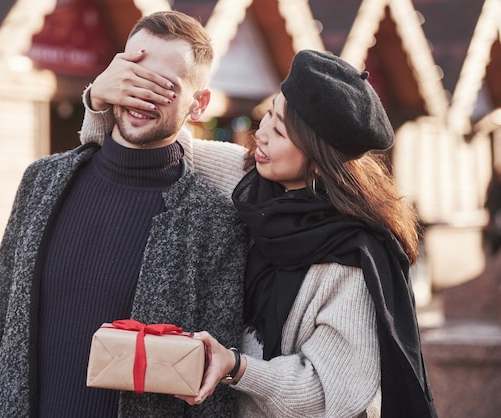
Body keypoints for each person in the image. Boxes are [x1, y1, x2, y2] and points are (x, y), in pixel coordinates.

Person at [80, 50, 438, 417]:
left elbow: (330, 394)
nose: (261, 132)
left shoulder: (352, 261)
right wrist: (98, 99)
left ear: (319, 161)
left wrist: (238, 368)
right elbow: (137, 151)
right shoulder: (247, 180)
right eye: (269, 113)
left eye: (280, 130)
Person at [0, 11, 249, 418]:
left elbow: (211, 385)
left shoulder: (213, 221)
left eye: (164, 86)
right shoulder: (41, 182)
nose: (140, 95)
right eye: (133, 74)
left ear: (198, 104)